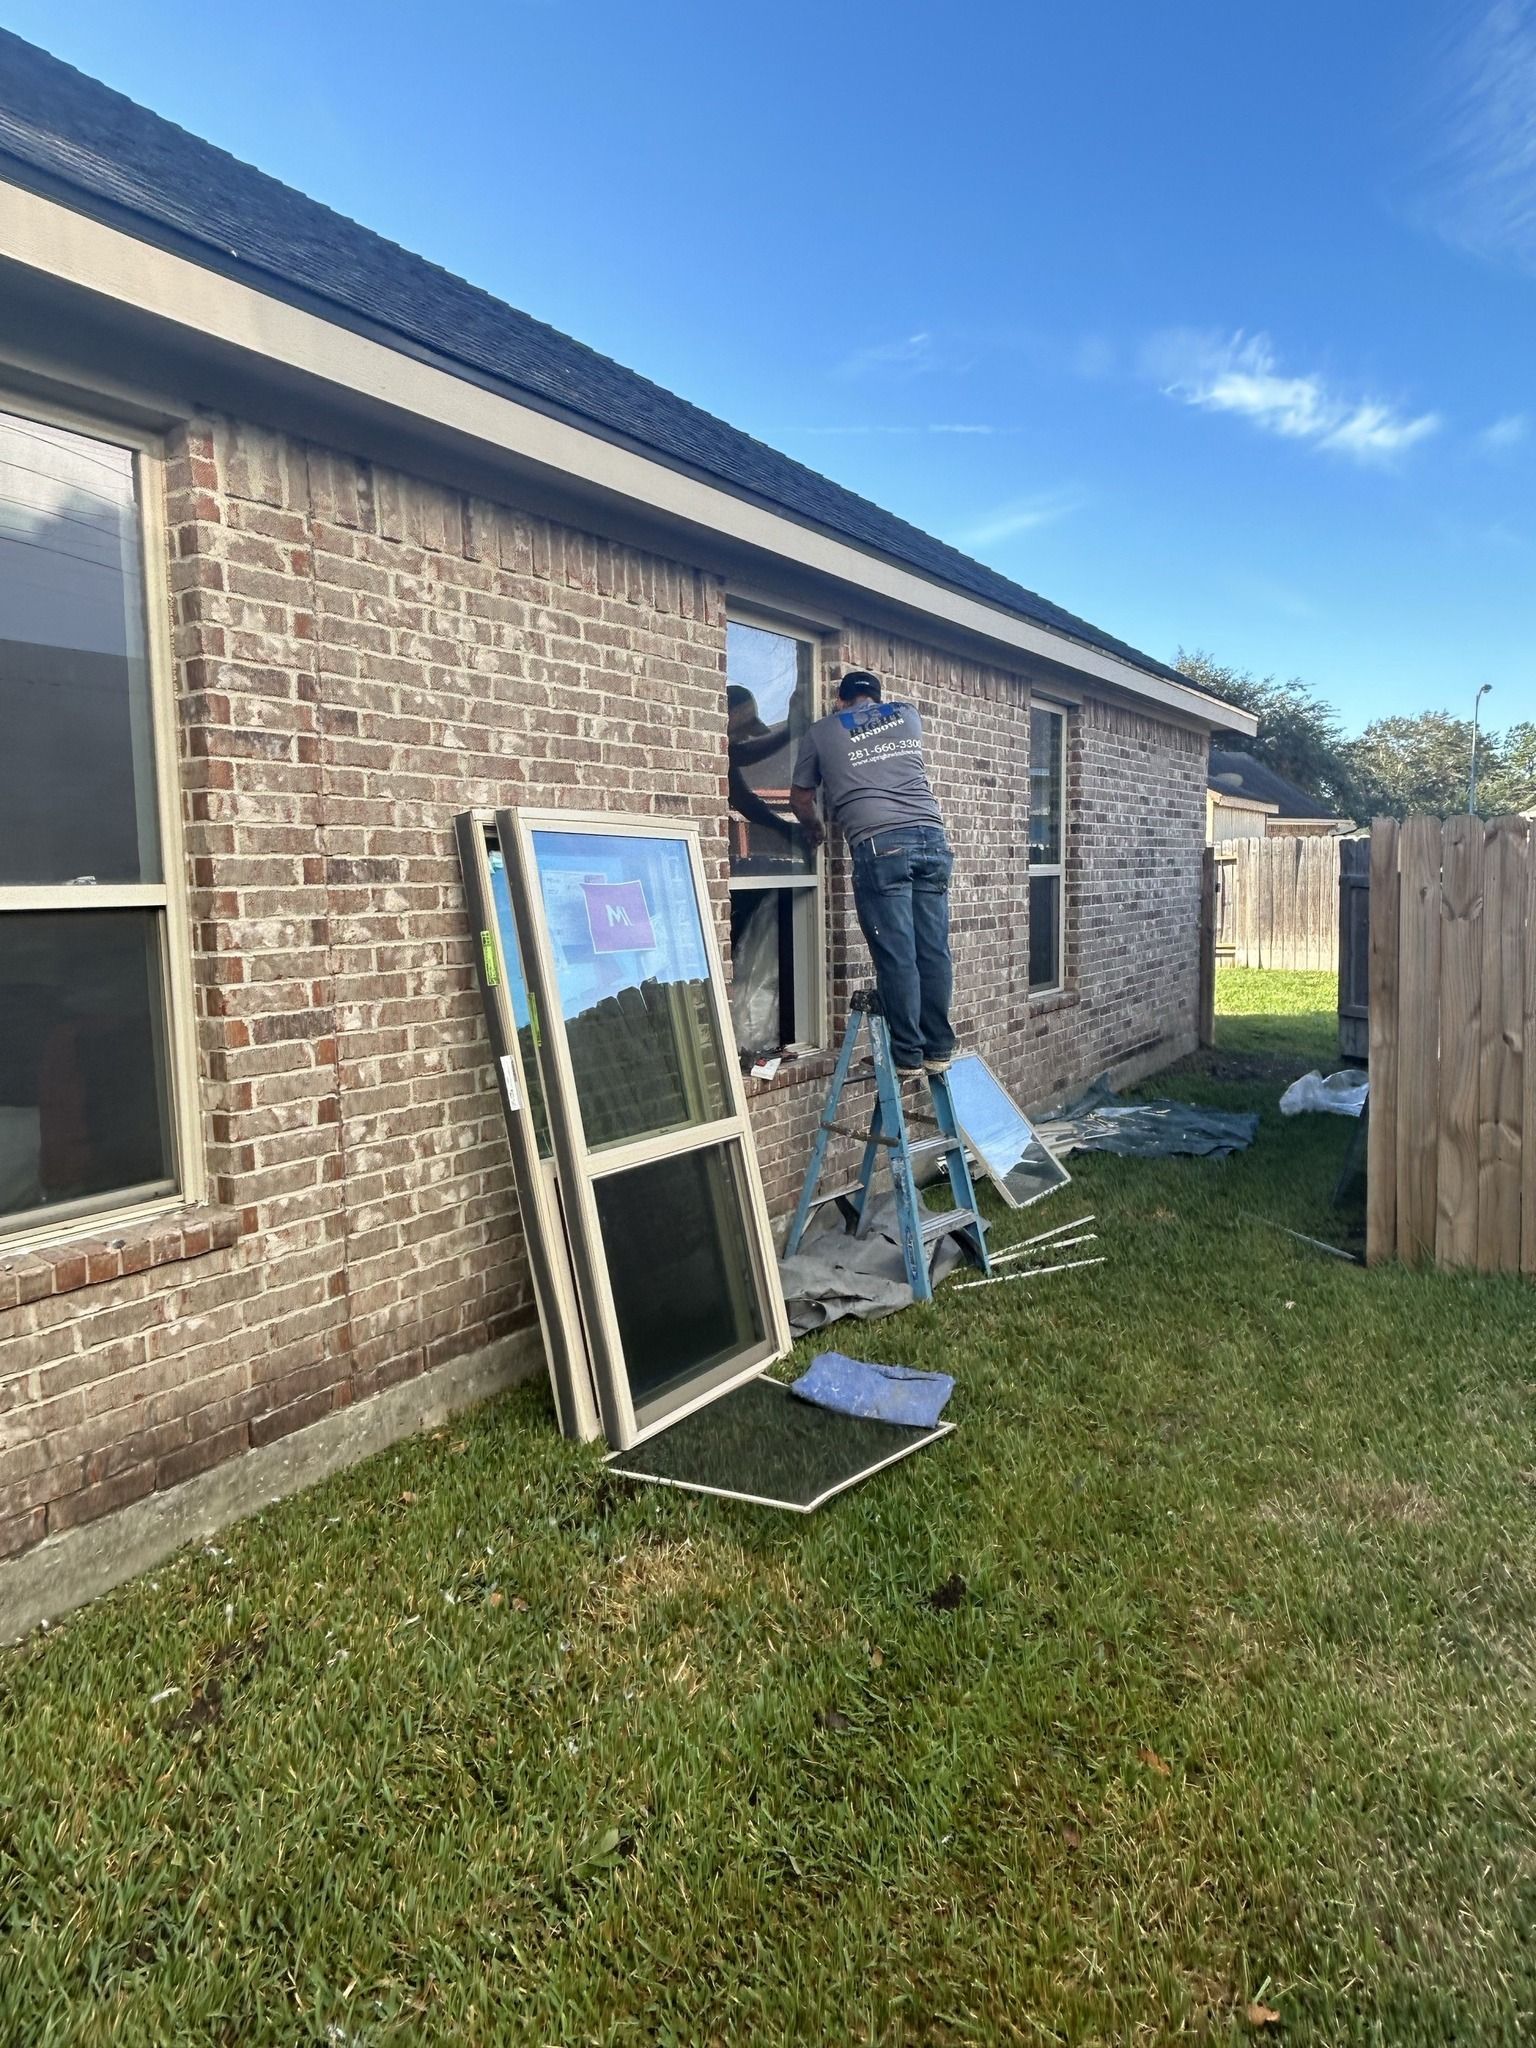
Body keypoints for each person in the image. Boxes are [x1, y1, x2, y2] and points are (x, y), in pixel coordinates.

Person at [789, 668, 957, 1080]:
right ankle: (937, 1049)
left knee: (897, 953)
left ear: (840, 700)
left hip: (881, 844)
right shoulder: (908, 715)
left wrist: (814, 827)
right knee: (932, 948)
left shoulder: (821, 730)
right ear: (877, 697)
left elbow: (801, 796)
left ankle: (906, 1056)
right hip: (932, 838)